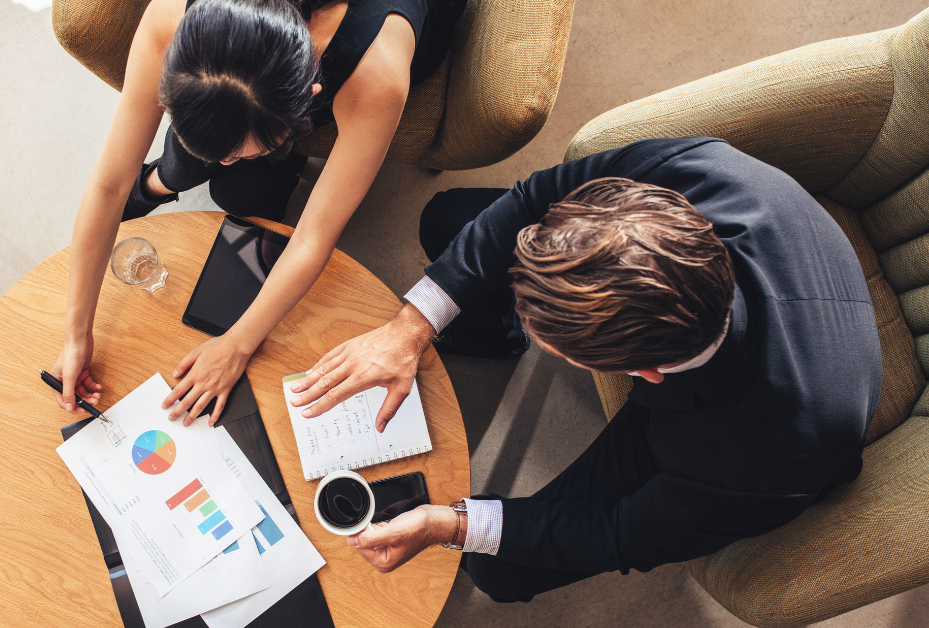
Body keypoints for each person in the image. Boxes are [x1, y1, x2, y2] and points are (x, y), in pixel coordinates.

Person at [287, 137, 881, 601]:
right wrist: (409, 329)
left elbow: (618, 533)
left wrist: (453, 523)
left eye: (550, 340)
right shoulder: (696, 173)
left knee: (503, 573)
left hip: (747, 426)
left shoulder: (749, 462)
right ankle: (490, 331)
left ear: (643, 375)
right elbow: (530, 199)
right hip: (759, 305)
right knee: (450, 218)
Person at [50, 0, 466, 423]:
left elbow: (312, 238)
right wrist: (76, 332)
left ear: (308, 99)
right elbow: (109, 185)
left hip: (400, 32)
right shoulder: (172, 19)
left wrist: (237, 345)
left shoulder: (377, 72)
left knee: (242, 194)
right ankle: (170, 176)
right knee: (216, 177)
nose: (226, 161)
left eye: (244, 151)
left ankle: (231, 168)